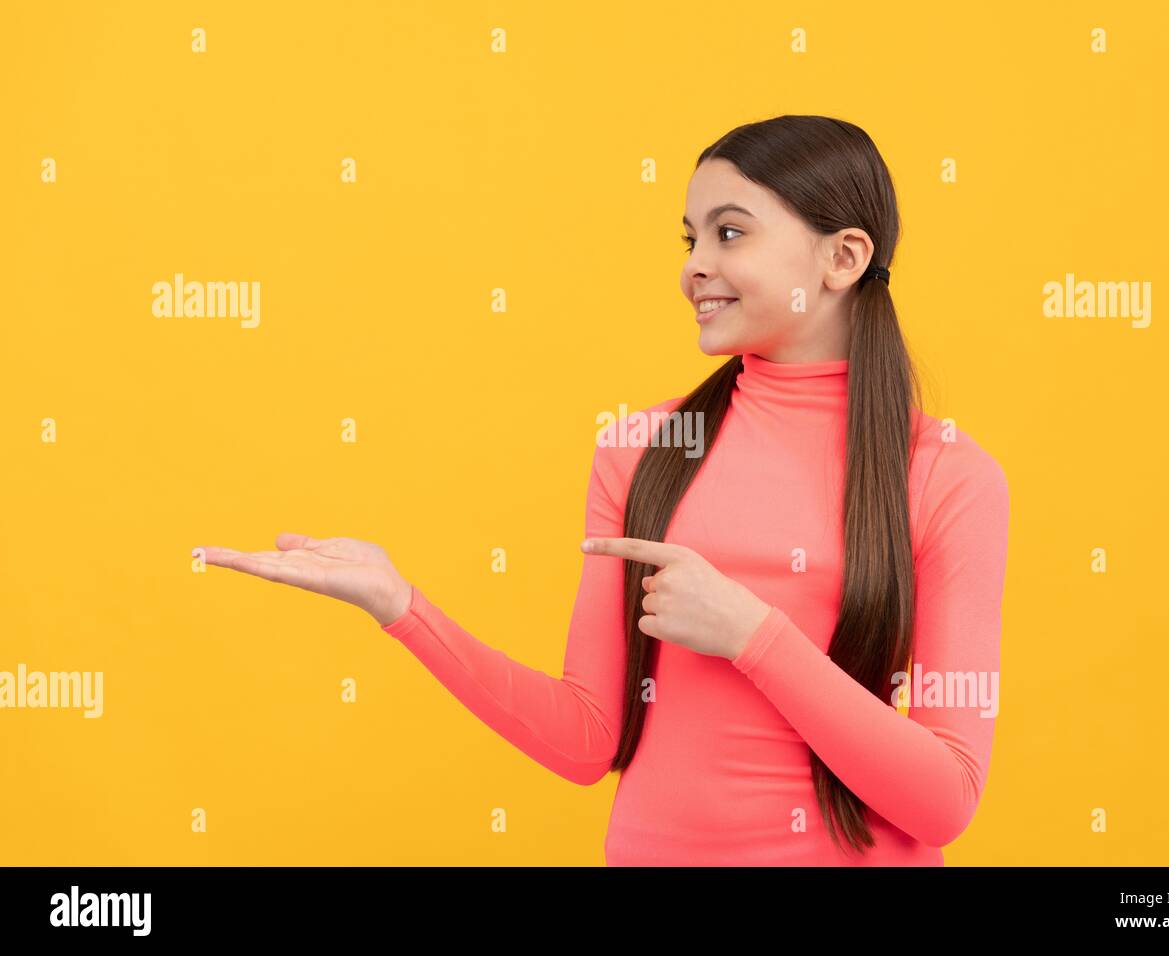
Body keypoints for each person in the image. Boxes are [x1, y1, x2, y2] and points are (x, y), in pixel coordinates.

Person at [199, 114, 1011, 866]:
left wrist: (753, 636)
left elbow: (943, 801)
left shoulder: (947, 477)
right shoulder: (646, 447)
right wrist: (401, 606)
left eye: (730, 233)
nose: (696, 265)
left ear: (843, 258)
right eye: (691, 238)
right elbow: (587, 740)